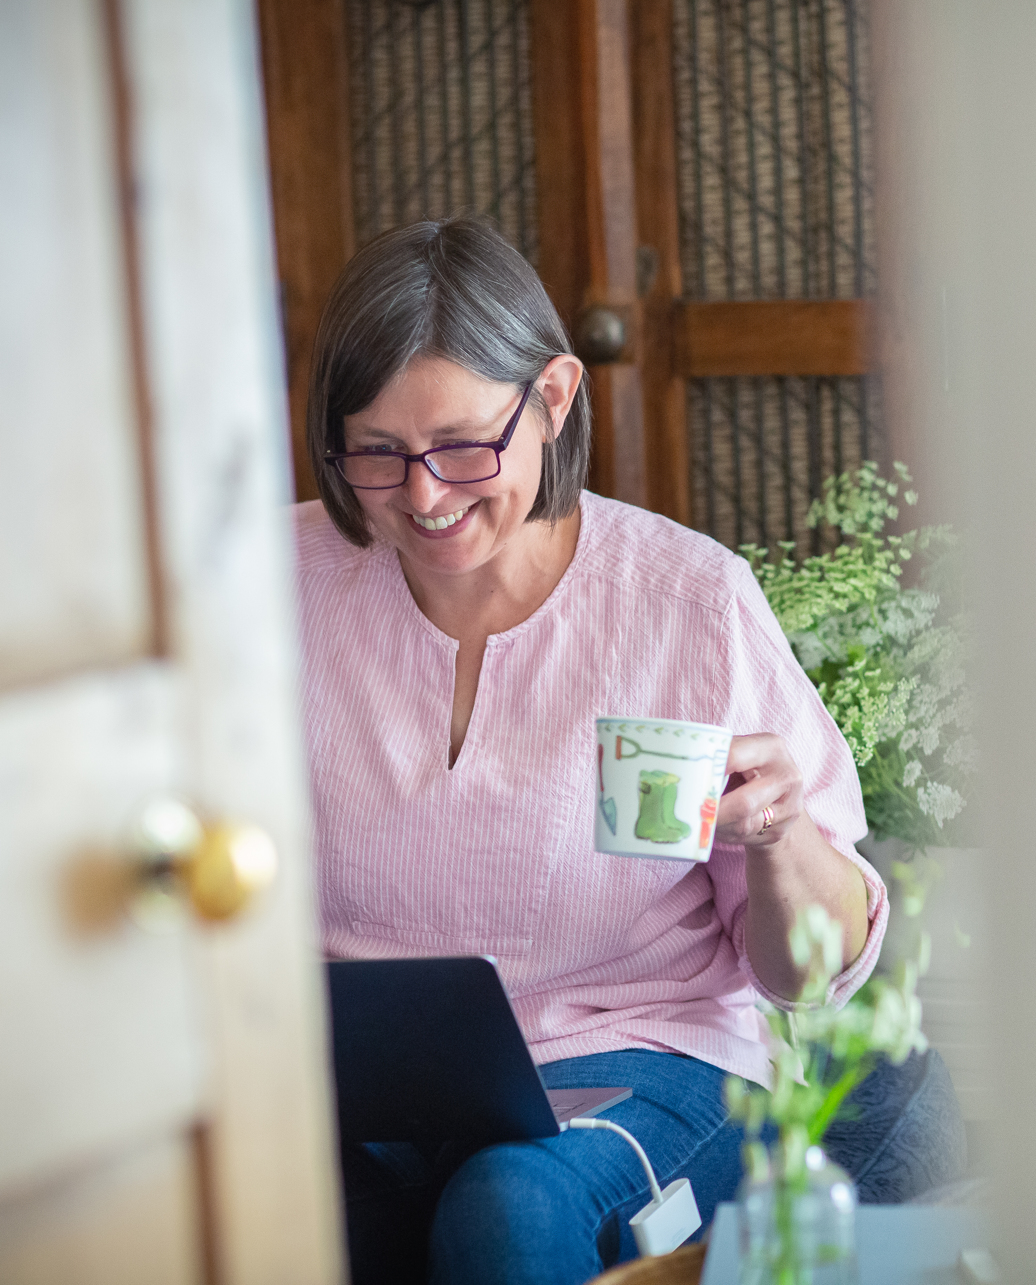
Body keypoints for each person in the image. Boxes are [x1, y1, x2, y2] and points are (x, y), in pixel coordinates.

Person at [295, 217, 887, 1284]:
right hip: (363, 1075)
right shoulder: (278, 582)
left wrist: (779, 833)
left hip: (642, 1059)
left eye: (463, 446)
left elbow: (813, 972)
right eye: (377, 452)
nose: (426, 496)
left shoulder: (686, 603)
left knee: (508, 1209)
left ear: (554, 398)